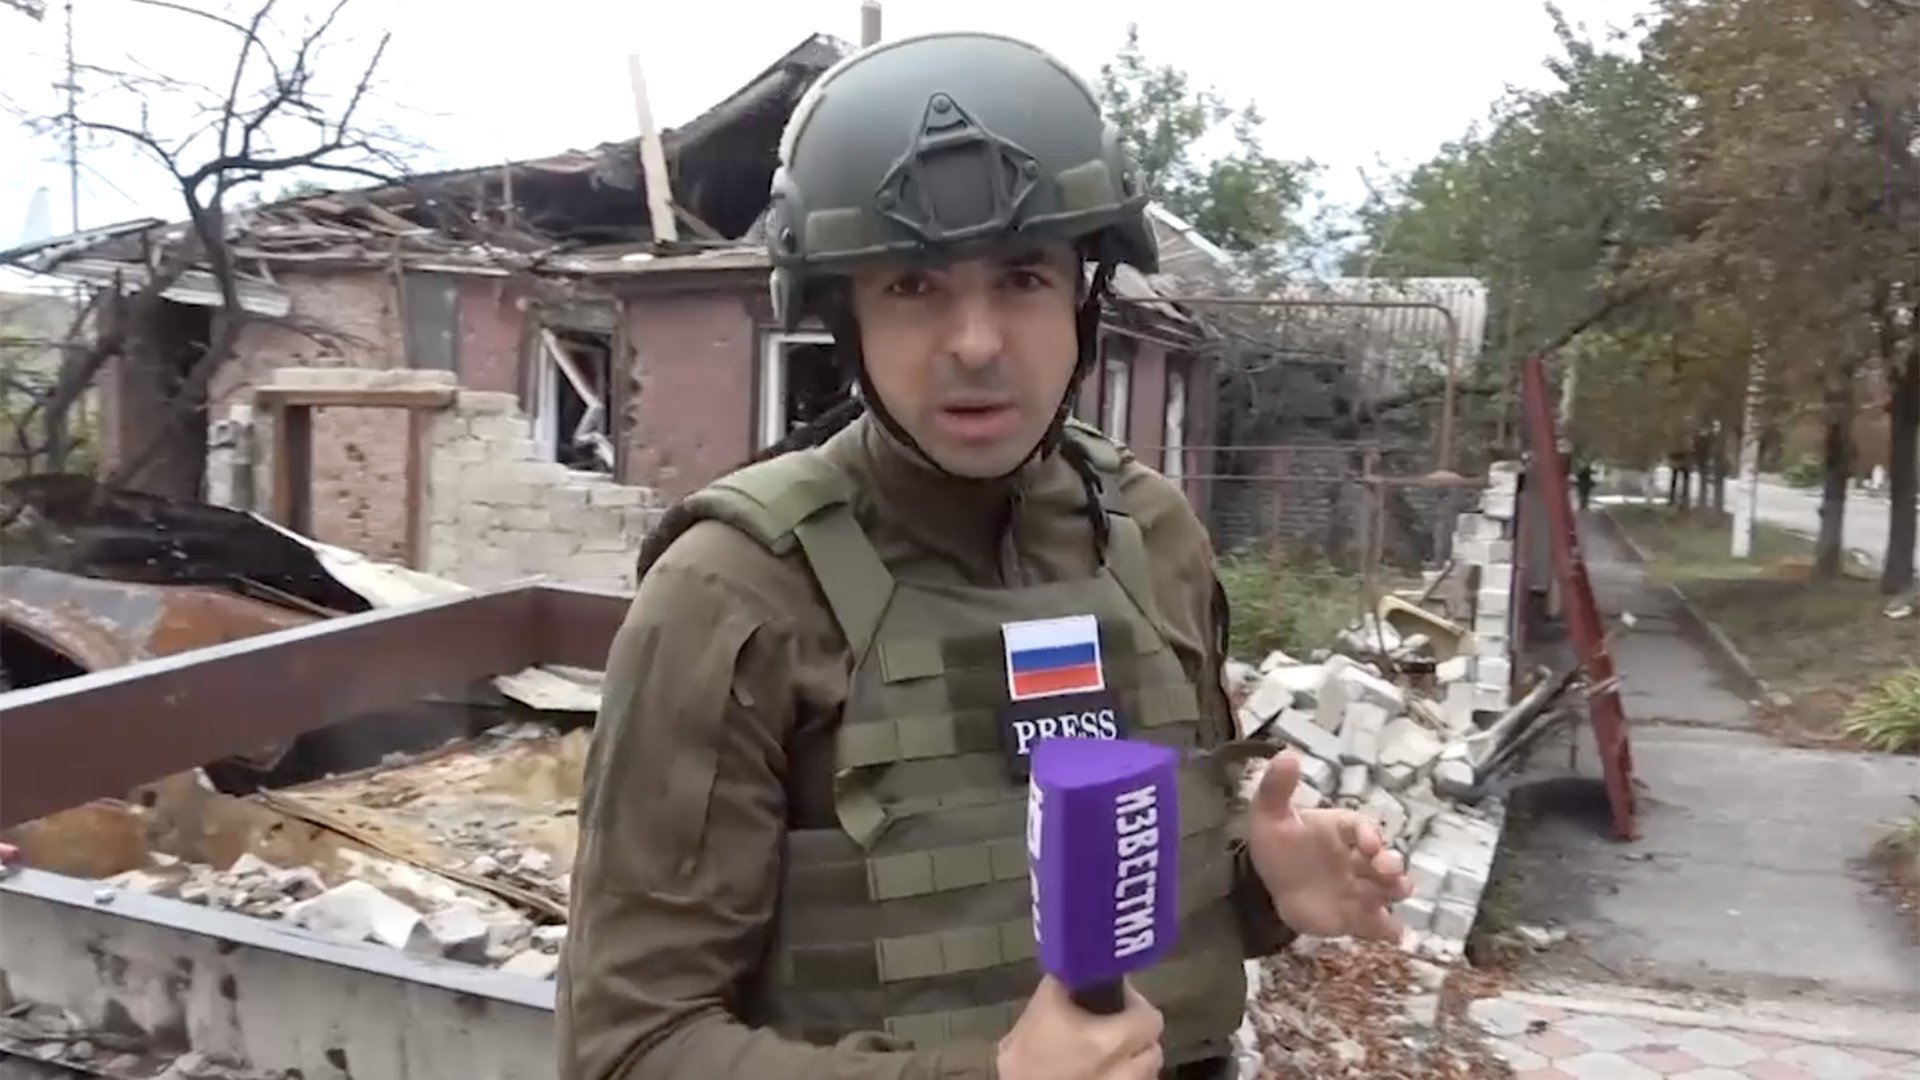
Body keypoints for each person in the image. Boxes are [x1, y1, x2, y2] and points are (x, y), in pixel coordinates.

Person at [557, 30, 1412, 1080]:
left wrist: (1259, 887)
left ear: (1082, 298)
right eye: (913, 286)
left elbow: (1116, 912)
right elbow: (630, 1050)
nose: (974, 342)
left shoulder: (1149, 535)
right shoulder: (734, 593)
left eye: (1022, 277)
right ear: (844, 315)